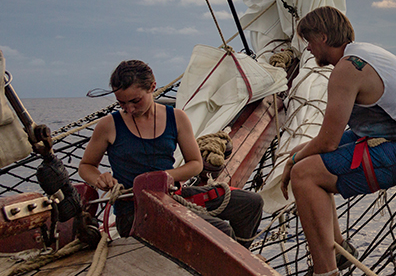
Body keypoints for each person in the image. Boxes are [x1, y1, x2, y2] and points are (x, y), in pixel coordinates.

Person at [281, 6, 396, 276]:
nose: (307, 47)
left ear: (323, 35)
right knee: (304, 158)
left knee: (304, 175)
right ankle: (339, 252)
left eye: (309, 40)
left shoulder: (347, 69)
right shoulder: (369, 53)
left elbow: (329, 142)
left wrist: (293, 163)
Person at [80, 60, 263, 247]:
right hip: (134, 211)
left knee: (251, 203)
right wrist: (99, 180)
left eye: (135, 101)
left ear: (152, 87)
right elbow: (86, 166)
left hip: (174, 196)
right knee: (221, 231)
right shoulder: (109, 125)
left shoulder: (176, 118)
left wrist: (164, 177)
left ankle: (242, 259)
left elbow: (195, 164)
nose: (130, 109)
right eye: (122, 103)